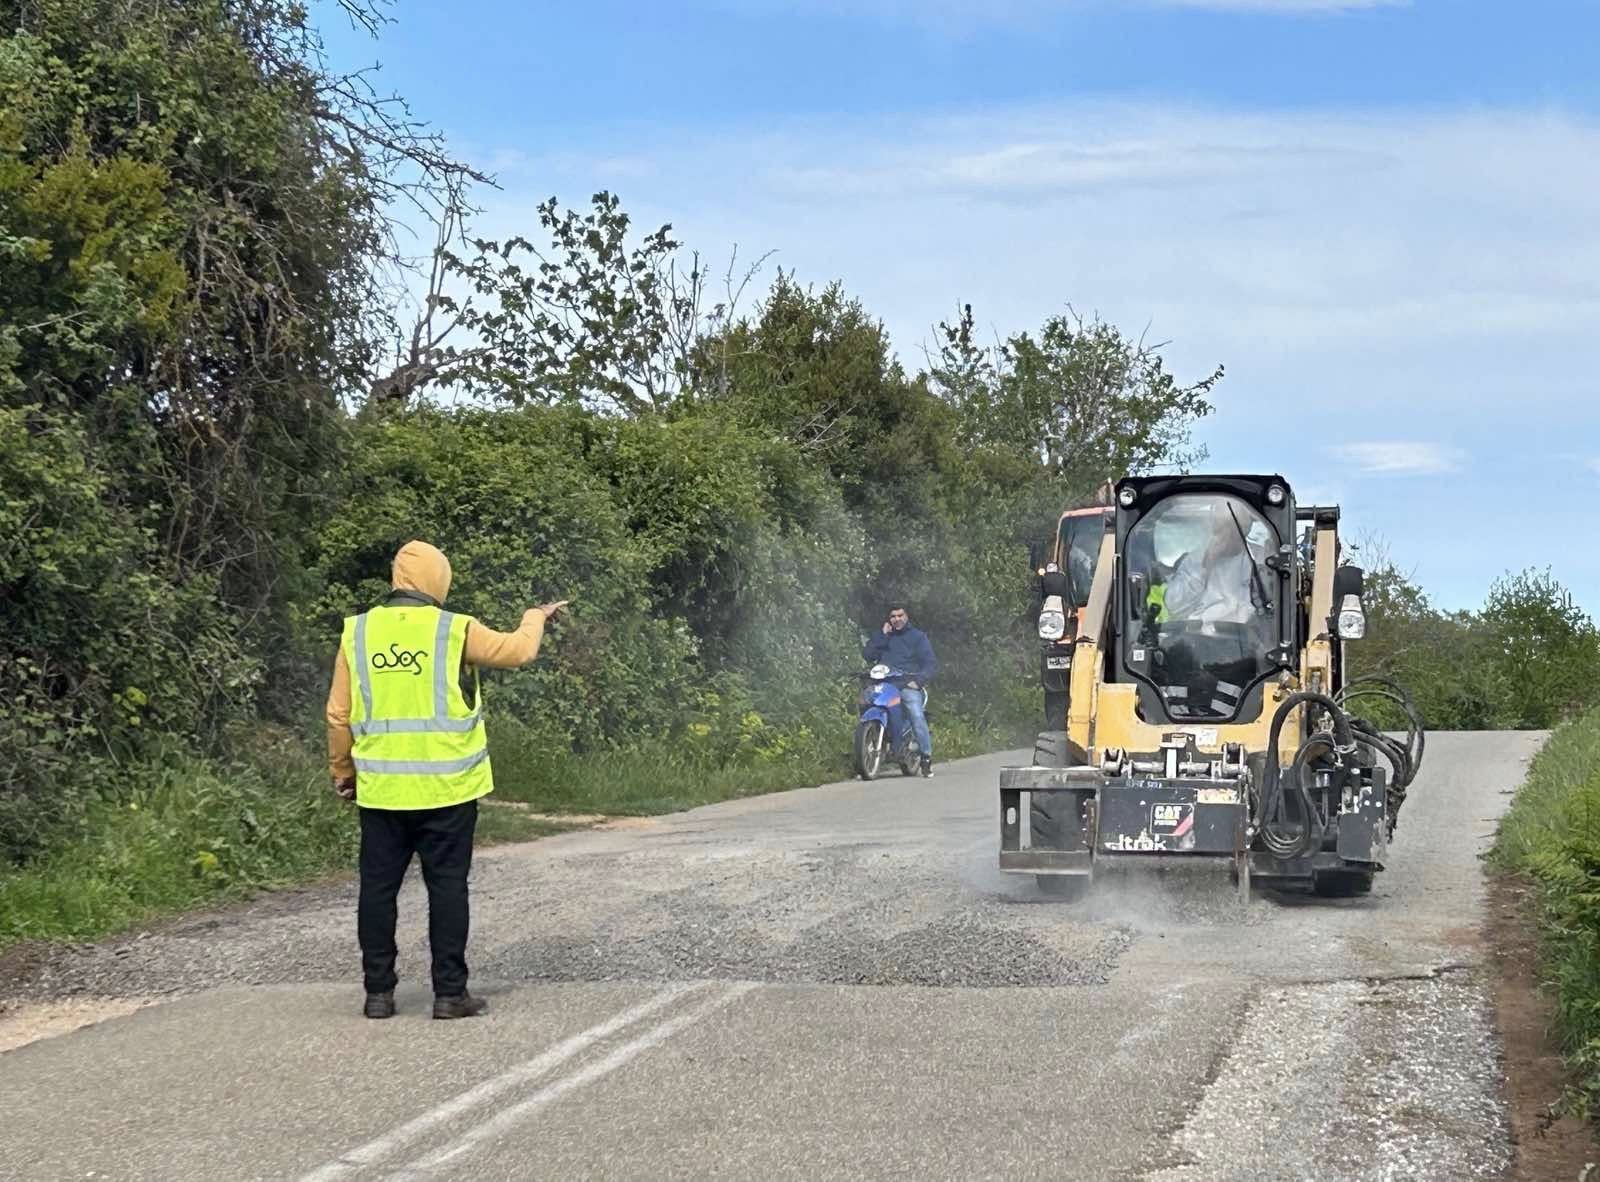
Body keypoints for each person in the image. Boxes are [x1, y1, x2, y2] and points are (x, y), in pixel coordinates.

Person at [325, 540, 567, 1020]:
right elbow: (519, 651)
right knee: (447, 888)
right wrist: (535, 615)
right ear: (439, 579)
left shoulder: (358, 632)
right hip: (448, 791)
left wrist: (343, 771)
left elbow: (338, 715)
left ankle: (378, 994)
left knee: (377, 891)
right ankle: (449, 994)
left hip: (382, 792)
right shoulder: (454, 630)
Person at [862, 604, 938, 776]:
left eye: (900, 615)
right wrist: (882, 636)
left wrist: (918, 681)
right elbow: (868, 655)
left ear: (907, 616)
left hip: (906, 685)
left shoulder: (918, 637)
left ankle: (926, 758)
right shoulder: (883, 636)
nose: (896, 619)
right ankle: (868, 751)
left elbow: (930, 663)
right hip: (884, 685)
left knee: (916, 714)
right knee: (865, 703)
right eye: (893, 616)